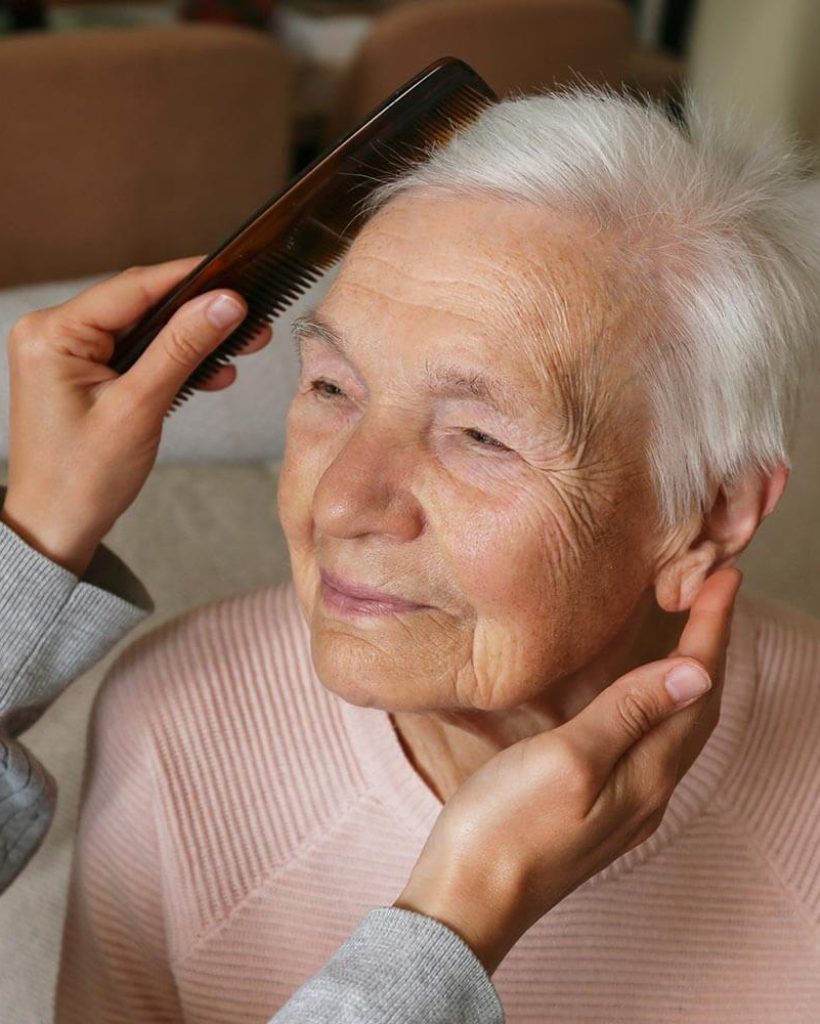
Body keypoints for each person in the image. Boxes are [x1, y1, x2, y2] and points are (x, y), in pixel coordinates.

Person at [5, 84, 819, 1021]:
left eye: (479, 436)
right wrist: (458, 916)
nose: (342, 501)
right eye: (331, 387)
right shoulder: (179, 727)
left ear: (712, 515)